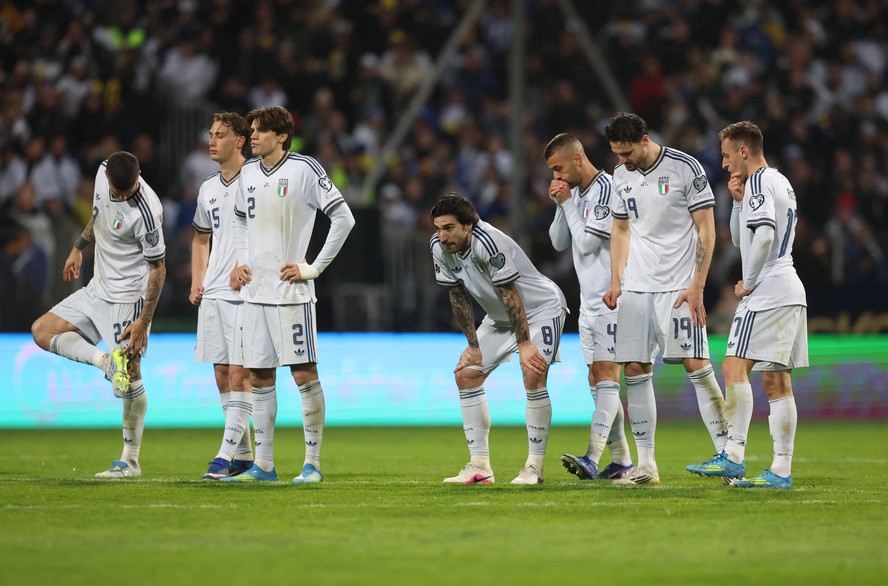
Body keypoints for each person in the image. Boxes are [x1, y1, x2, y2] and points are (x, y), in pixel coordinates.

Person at [222, 105, 355, 483]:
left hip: (291, 294)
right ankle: (264, 466)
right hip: (255, 293)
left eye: (260, 131)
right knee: (260, 376)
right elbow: (239, 220)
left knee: (303, 373)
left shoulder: (304, 169)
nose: (253, 136)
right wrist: (241, 261)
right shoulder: (248, 172)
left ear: (282, 136)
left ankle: (312, 464)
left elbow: (344, 218)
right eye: (251, 130)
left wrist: (313, 267)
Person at [602, 112, 728, 485]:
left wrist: (698, 284)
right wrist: (616, 281)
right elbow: (620, 229)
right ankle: (647, 465)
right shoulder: (620, 175)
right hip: (637, 287)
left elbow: (707, 230)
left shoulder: (685, 168)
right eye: (617, 153)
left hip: (678, 286)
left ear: (644, 140)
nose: (622, 160)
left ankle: (728, 456)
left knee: (696, 364)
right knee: (635, 369)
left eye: (627, 152)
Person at [30, 151, 166, 478]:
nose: (121, 197)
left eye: (127, 192)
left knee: (131, 374)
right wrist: (78, 247)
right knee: (42, 330)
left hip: (127, 298)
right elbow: (98, 215)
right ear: (106, 178)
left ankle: (130, 461)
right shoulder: (103, 173)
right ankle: (105, 362)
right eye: (117, 192)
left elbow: (158, 269)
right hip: (97, 288)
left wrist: (144, 321)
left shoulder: (148, 213)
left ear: (138, 177)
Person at [687, 121, 807, 489]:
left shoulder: (758, 181)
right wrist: (738, 203)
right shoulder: (779, 180)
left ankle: (733, 454)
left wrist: (749, 283)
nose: (724, 163)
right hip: (790, 288)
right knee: (776, 380)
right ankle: (781, 470)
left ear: (744, 151)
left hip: (768, 290)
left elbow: (765, 236)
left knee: (733, 366)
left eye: (726, 155)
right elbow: (743, 240)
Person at [430, 193, 568, 485]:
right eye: (438, 229)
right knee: (466, 375)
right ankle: (479, 466)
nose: (442, 236)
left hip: (540, 310)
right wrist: (473, 346)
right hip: (499, 318)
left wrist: (525, 344)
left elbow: (510, 293)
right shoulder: (439, 247)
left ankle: (534, 468)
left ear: (468, 225)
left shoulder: (489, 242)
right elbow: (457, 295)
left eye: (449, 228)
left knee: (532, 373)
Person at [543, 133, 635, 481]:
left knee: (607, 374)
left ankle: (592, 457)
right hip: (589, 303)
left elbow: (585, 244)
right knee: (595, 378)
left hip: (614, 298)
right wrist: (560, 204)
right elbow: (558, 242)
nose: (556, 176)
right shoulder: (576, 194)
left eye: (559, 168)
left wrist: (567, 203)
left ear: (577, 159)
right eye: (552, 172)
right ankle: (622, 461)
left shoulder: (606, 189)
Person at [190, 112, 255, 480]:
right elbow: (201, 238)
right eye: (211, 134)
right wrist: (197, 280)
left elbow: (270, 233)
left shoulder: (257, 179)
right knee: (221, 374)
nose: (212, 141)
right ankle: (243, 457)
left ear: (240, 141)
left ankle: (223, 455)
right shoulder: (208, 188)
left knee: (239, 373)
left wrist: (246, 265)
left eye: (220, 135)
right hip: (214, 291)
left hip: (247, 291)